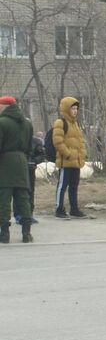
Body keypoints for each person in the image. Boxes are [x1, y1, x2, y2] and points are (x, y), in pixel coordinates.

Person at [0, 95, 35, 243]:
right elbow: (29, 146)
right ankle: (26, 232)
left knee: (4, 199)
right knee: (23, 198)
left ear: (5, 106)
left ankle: (4, 233)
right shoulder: (27, 123)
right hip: (22, 162)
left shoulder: (2, 122)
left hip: (5, 162)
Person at [52, 96, 87, 218]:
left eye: (76, 108)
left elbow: (80, 142)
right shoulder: (60, 123)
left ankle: (74, 209)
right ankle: (59, 209)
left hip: (76, 162)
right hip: (66, 162)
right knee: (62, 186)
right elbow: (57, 141)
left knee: (74, 186)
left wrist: (82, 155)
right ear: (66, 109)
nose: (75, 111)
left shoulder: (75, 124)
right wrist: (68, 154)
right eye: (72, 108)